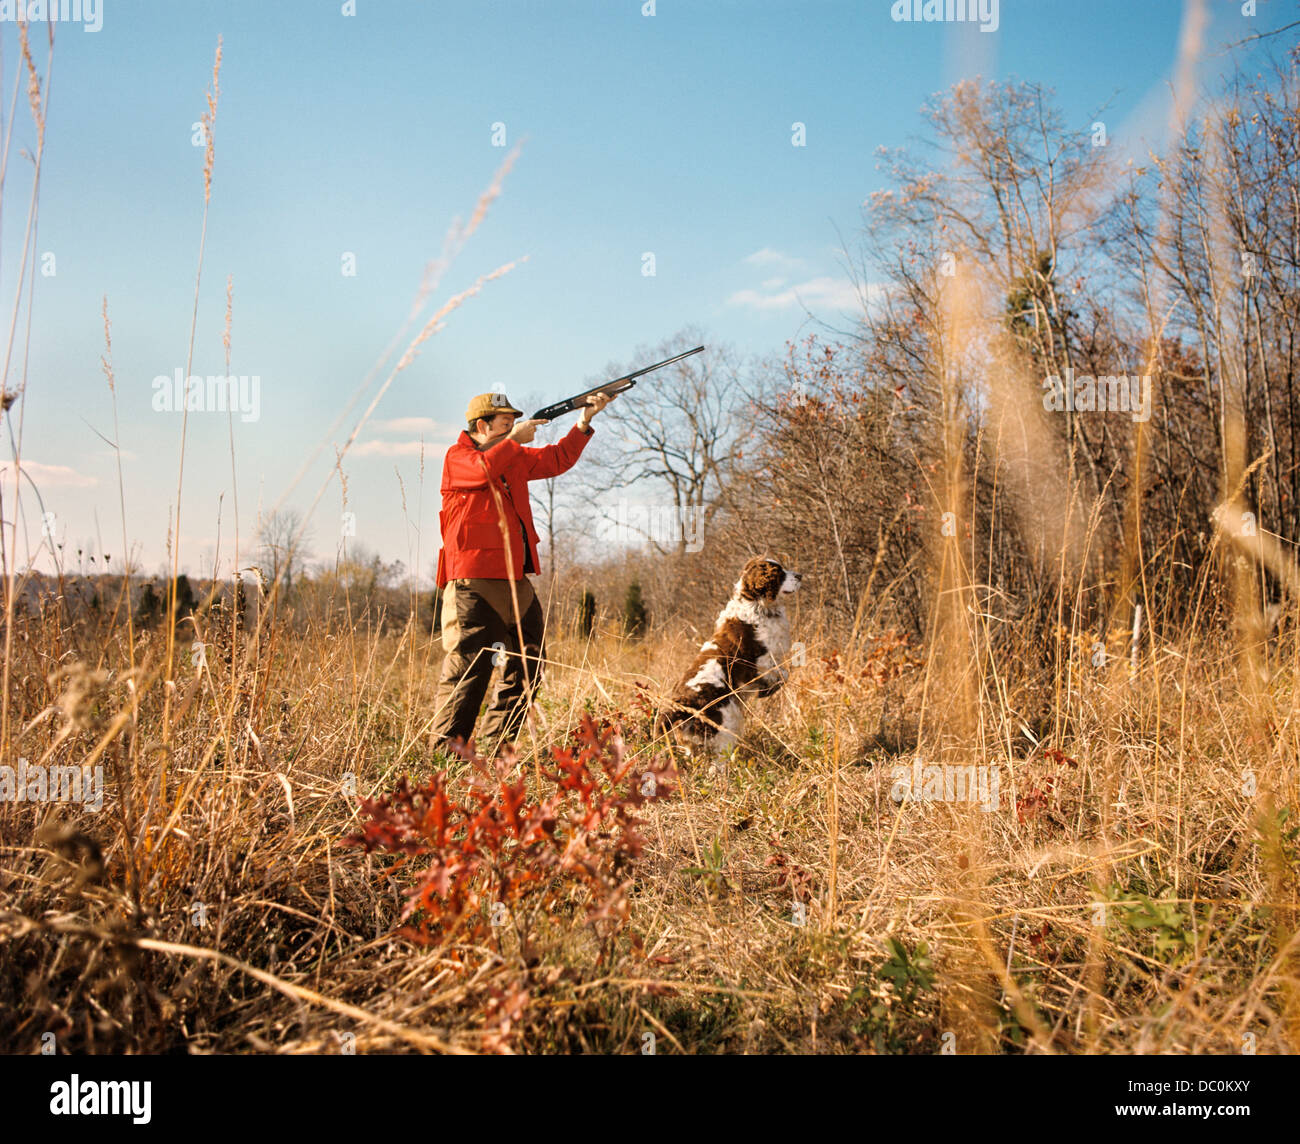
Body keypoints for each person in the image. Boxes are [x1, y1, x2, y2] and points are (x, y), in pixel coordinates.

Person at [431, 388, 614, 756]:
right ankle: (446, 757)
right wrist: (514, 441)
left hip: (516, 581)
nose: (513, 428)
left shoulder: (511, 458)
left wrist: (584, 420)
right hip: (473, 582)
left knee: (530, 664)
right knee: (471, 669)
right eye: (504, 423)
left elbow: (557, 459)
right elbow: (482, 470)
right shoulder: (458, 458)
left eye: (515, 423)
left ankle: (498, 747)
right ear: (481, 426)